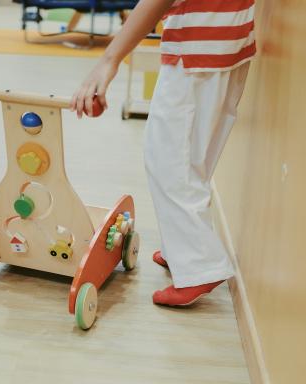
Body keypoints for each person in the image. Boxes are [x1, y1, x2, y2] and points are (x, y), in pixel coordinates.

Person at [71, 0, 255, 306]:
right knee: (193, 159)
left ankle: (200, 266)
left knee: (168, 161)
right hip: (229, 43)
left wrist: (110, 59)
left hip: (197, 49)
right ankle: (182, 252)